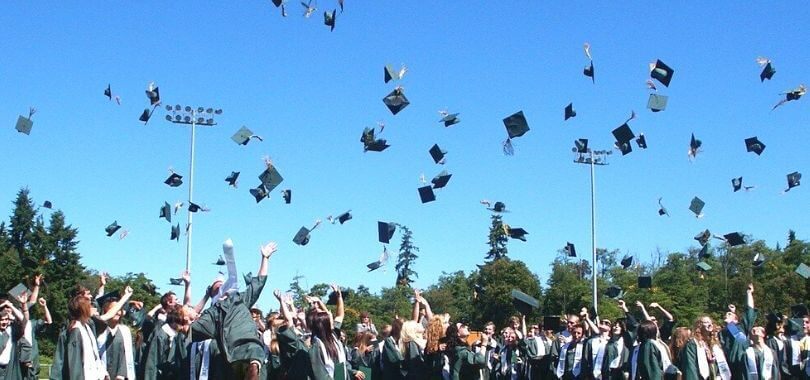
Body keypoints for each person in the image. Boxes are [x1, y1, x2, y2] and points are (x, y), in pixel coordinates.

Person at [190, 240, 276, 380]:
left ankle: (253, 367)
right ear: (213, 295)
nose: (222, 288)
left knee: (254, 356)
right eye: (217, 288)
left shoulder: (240, 299)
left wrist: (264, 258)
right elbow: (191, 327)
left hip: (252, 348)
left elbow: (258, 283)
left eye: (223, 285)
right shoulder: (212, 313)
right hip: (232, 354)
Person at [64, 286, 132, 380]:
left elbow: (94, 357)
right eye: (90, 305)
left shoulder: (88, 326)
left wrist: (102, 372)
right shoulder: (76, 329)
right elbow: (75, 365)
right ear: (83, 308)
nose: (94, 308)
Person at [307, 286, 363, 380]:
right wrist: (313, 306)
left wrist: (339, 297)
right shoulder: (317, 345)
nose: (331, 315)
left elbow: (340, 315)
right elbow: (320, 375)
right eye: (329, 318)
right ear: (325, 324)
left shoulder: (333, 335)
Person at [719, 284, 757, 379]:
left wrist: (749, 293)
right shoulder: (721, 332)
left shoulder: (741, 327)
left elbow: (750, 311)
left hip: (743, 366)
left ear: (736, 319)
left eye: (729, 314)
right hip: (728, 369)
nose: (726, 315)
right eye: (725, 315)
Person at [143, 305, 191, 379]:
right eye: (183, 322)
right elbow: (152, 363)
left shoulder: (179, 336)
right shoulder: (161, 336)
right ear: (176, 319)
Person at [97, 295, 136, 380]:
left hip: (121, 377)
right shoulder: (99, 332)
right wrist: (102, 373)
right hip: (101, 376)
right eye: (114, 310)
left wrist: (122, 374)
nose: (118, 312)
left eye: (120, 310)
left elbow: (129, 354)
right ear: (106, 310)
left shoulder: (125, 331)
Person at [682, 315, 731, 380]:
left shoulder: (714, 344)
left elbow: (719, 364)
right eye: (706, 322)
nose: (710, 324)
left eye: (711, 322)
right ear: (699, 325)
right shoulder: (693, 343)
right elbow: (690, 367)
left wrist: (719, 376)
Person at [0, 294, 29, 380]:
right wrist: (4, 304)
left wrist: (11, 306)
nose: (4, 322)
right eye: (2, 320)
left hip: (9, 369)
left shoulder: (12, 331)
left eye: (6, 319)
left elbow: (24, 319)